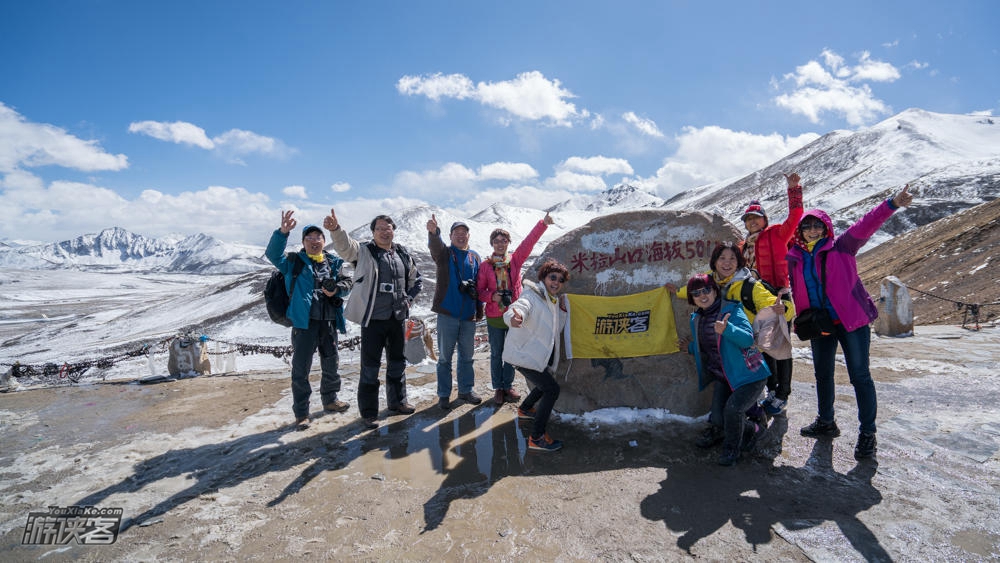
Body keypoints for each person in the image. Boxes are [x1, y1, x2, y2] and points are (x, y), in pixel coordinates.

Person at [787, 185, 914, 460]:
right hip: (819, 323)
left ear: (825, 228)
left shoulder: (843, 245)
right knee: (822, 374)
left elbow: (867, 223)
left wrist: (891, 203)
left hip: (851, 321)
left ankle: (867, 433)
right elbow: (797, 289)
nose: (812, 230)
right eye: (807, 226)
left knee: (859, 376)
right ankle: (826, 422)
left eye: (817, 225)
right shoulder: (795, 258)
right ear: (800, 231)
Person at [326, 208, 422, 430]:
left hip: (397, 317)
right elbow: (345, 248)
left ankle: (398, 402)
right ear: (373, 232)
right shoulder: (365, 252)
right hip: (373, 319)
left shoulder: (403, 254)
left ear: (393, 231)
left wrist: (409, 299)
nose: (384, 232)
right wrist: (335, 230)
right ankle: (369, 413)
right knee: (370, 367)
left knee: (397, 363)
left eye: (388, 228)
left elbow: (416, 280)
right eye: (379, 228)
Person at [265, 211, 353, 428]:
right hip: (304, 323)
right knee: (301, 368)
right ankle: (302, 412)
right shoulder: (293, 262)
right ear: (303, 242)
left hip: (329, 320)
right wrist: (282, 233)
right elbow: (273, 255)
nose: (314, 241)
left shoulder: (333, 262)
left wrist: (338, 290)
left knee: (331, 362)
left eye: (318, 238)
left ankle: (330, 400)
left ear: (324, 241)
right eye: (309, 238)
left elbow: (347, 283)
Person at [681, 273, 770, 466]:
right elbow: (706, 345)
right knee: (719, 419)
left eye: (706, 290)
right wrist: (690, 348)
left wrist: (727, 329)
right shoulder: (697, 318)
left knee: (733, 411)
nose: (702, 296)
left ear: (715, 291)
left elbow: (748, 340)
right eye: (696, 293)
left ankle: (732, 449)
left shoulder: (732, 310)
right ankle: (753, 428)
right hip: (724, 376)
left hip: (748, 375)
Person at [740, 172, 803, 415]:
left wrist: (794, 189)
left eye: (756, 218)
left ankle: (782, 394)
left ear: (764, 220)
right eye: (748, 219)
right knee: (763, 346)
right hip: (756, 300)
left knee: (781, 347)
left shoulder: (777, 233)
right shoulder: (744, 246)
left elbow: (796, 216)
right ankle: (771, 388)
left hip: (778, 296)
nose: (752, 222)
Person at [477, 212, 554, 405]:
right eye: (496, 240)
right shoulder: (486, 266)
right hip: (495, 316)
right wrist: (491, 296)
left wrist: (542, 224)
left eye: (504, 240)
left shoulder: (515, 261)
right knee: (496, 353)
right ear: (492, 243)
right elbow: (479, 291)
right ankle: (498, 388)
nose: (500, 243)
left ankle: (508, 385)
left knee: (512, 353)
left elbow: (529, 243)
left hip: (514, 314)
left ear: (508, 243)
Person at [502, 259, 570, 452]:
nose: (556, 282)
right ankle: (537, 437)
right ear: (544, 277)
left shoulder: (553, 300)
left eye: (560, 279)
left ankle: (525, 409)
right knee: (552, 390)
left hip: (535, 355)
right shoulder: (532, 295)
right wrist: (514, 318)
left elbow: (555, 328)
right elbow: (519, 306)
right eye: (552, 277)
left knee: (544, 384)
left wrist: (563, 312)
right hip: (525, 354)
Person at [427, 214, 484, 410]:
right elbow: (435, 247)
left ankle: (466, 390)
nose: (461, 236)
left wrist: (479, 310)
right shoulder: (444, 254)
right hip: (447, 315)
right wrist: (434, 233)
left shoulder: (475, 257)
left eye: (464, 233)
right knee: (444, 358)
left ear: (469, 236)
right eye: (457, 233)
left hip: (469, 316)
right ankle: (443, 394)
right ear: (450, 236)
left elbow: (480, 284)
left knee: (467, 357)